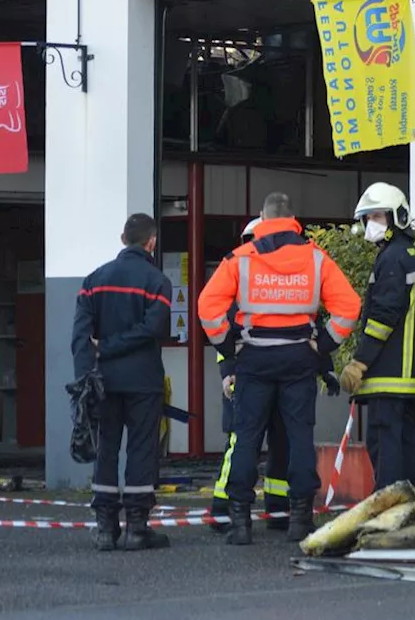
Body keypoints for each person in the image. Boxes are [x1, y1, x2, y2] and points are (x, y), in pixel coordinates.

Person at [198, 193, 361, 545]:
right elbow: (349, 306)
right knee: (299, 438)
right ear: (293, 221)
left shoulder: (240, 259)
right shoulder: (316, 259)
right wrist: (326, 344)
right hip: (299, 359)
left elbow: (207, 307)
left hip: (254, 360)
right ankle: (300, 522)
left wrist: (229, 347)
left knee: (246, 438)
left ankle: (240, 524)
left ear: (261, 218)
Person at [72, 213, 173, 552]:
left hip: (102, 382)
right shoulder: (158, 282)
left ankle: (105, 529)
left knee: (106, 450)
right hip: (143, 380)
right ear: (152, 242)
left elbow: (80, 338)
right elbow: (154, 329)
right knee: (141, 449)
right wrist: (114, 347)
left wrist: (85, 377)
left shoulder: (93, 281)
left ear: (122, 238)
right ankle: (137, 529)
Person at [339, 183, 415, 491]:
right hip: (407, 376)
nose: (371, 225)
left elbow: (382, 317)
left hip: (390, 373)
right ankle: (413, 502)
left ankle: (389, 503)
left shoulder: (392, 259)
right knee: (406, 441)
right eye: (367, 218)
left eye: (377, 216)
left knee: (385, 443)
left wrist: (359, 362)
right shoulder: (409, 255)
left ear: (398, 217)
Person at [210, 217, 289, 533]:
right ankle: (223, 508)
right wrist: (228, 373)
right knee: (242, 444)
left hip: (272, 376)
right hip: (245, 377)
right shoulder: (235, 281)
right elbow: (222, 333)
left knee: (279, 445)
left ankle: (278, 509)